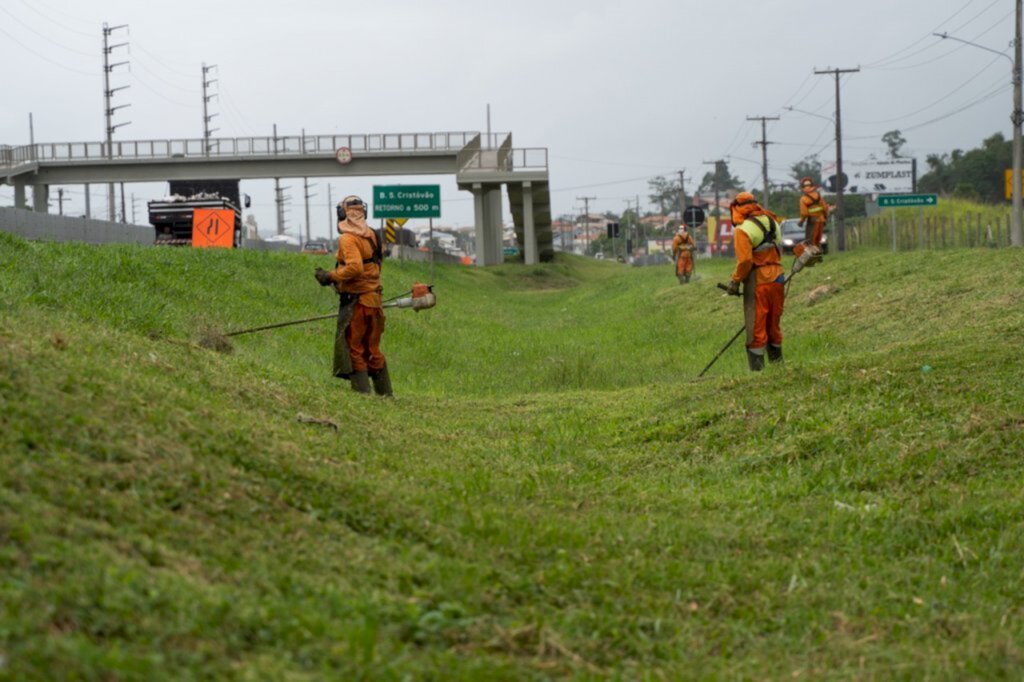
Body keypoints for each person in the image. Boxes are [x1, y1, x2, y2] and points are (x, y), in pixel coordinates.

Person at [314, 195, 393, 396]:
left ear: (342, 215)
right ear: (363, 212)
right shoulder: (373, 235)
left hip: (357, 303)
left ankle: (362, 395)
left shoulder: (347, 238)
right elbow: (375, 264)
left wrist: (331, 276)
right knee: (372, 348)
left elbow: (355, 268)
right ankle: (386, 395)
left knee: (354, 348)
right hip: (375, 300)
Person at [725, 192, 785, 371]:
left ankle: (758, 373)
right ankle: (778, 368)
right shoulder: (773, 221)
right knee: (773, 324)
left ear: (737, 208)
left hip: (758, 281)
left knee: (756, 326)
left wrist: (735, 282)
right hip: (778, 277)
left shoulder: (742, 229)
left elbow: (744, 261)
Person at [798, 176, 830, 249]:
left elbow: (804, 213)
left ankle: (812, 256)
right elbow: (825, 208)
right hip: (821, 220)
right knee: (818, 240)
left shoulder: (803, 199)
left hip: (812, 221)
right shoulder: (818, 195)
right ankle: (818, 255)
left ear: (802, 187)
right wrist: (825, 218)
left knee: (810, 241)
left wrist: (801, 222)